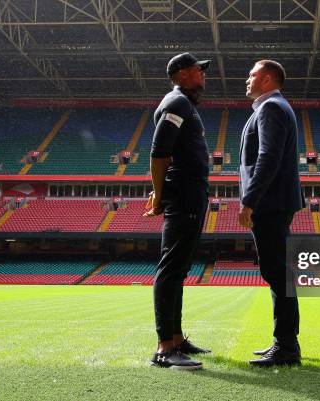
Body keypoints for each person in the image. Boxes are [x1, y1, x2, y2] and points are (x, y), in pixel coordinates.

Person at [144, 52, 211, 370]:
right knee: (171, 270)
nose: (204, 75)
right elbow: (159, 154)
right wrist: (158, 195)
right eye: (200, 70)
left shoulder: (185, 104)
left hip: (191, 195)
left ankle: (178, 338)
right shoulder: (176, 103)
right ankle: (164, 348)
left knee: (180, 269)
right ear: (183, 73)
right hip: (183, 196)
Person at [238, 60, 305, 367]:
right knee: (277, 273)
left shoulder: (271, 108)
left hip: (270, 203)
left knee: (278, 274)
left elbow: (268, 157)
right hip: (275, 201)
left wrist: (249, 200)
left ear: (266, 79)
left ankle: (287, 347)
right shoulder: (273, 107)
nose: (246, 80)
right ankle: (284, 342)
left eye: (251, 75)